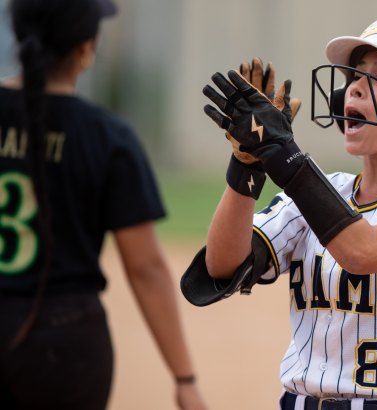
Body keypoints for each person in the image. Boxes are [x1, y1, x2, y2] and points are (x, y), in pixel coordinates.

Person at [182, 12, 377, 410]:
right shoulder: (324, 189)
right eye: (354, 76)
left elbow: (362, 252)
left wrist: (284, 155)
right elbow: (222, 265)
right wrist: (248, 165)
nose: (353, 89)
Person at [0, 0, 207, 409]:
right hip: (65, 345)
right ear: (86, 48)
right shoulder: (107, 137)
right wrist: (184, 378)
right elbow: (145, 269)